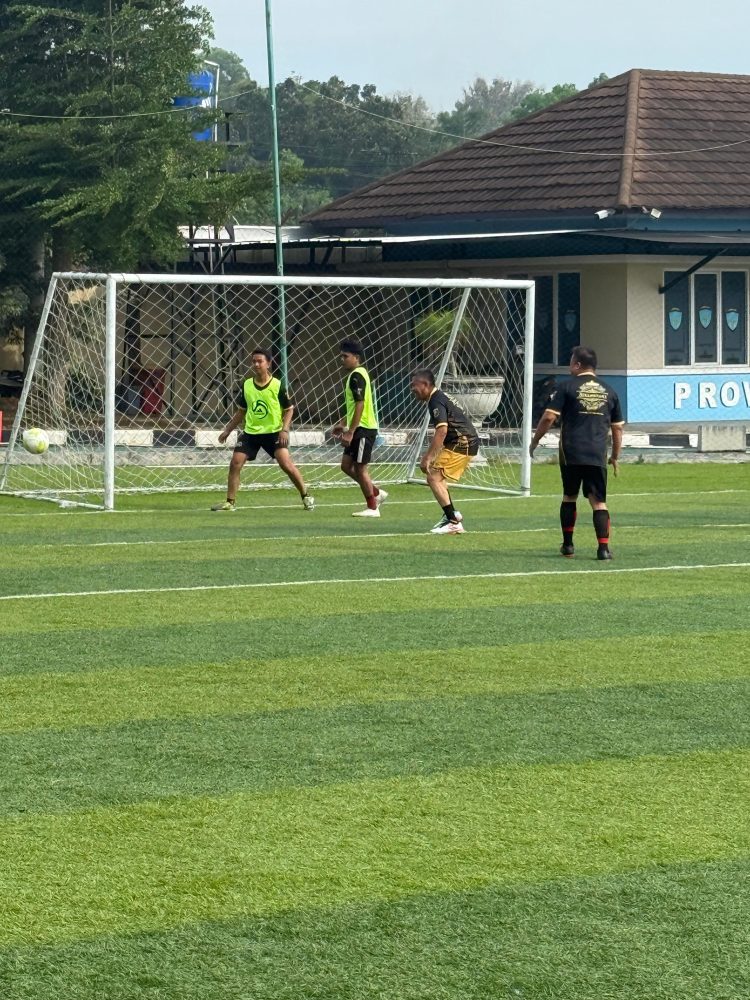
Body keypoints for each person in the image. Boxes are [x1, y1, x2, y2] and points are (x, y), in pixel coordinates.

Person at [529, 345, 624, 560]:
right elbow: (617, 428)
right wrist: (615, 456)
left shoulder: (566, 388)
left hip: (571, 452)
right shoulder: (610, 391)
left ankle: (569, 546)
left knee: (569, 496)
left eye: (571, 361)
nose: (569, 365)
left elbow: (548, 418)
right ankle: (603, 549)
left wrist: (535, 441)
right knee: (598, 501)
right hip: (597, 453)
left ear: (577, 364)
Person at [211, 349, 314, 511]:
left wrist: (284, 430)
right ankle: (230, 502)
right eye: (254, 361)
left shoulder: (278, 385)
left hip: (273, 432)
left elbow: (289, 409)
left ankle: (306, 495)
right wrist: (228, 430)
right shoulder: (247, 385)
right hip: (251, 433)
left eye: (260, 361)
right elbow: (241, 411)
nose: (256, 364)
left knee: (286, 464)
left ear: (268, 364)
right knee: (235, 463)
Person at [410, 368, 479, 534]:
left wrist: (427, 457)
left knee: (433, 477)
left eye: (414, 385)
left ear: (426, 384)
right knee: (436, 478)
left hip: (462, 442)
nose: (412, 389)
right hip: (462, 441)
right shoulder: (438, 397)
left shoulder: (436, 400)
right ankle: (452, 514)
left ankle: (453, 521)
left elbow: (442, 431)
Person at [333, 340, 388, 517]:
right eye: (341, 356)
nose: (342, 359)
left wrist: (351, 431)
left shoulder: (357, 375)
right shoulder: (357, 374)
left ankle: (373, 507)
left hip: (363, 429)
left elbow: (360, 404)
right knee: (346, 465)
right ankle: (377, 493)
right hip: (358, 427)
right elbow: (353, 405)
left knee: (360, 468)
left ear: (356, 358)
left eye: (345, 356)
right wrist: (343, 423)